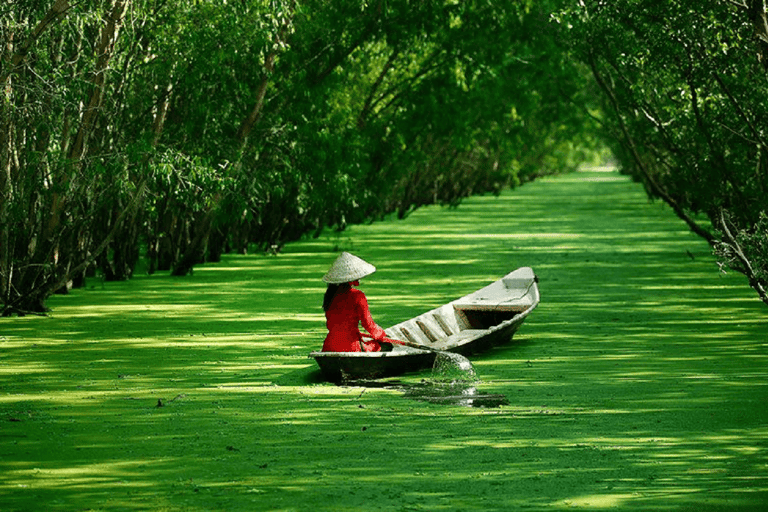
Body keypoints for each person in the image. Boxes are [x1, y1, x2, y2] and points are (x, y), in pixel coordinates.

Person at [321, 252, 389, 353]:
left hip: (329, 347)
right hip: (351, 348)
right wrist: (382, 335)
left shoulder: (329, 296)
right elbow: (368, 325)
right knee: (385, 346)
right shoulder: (357, 295)